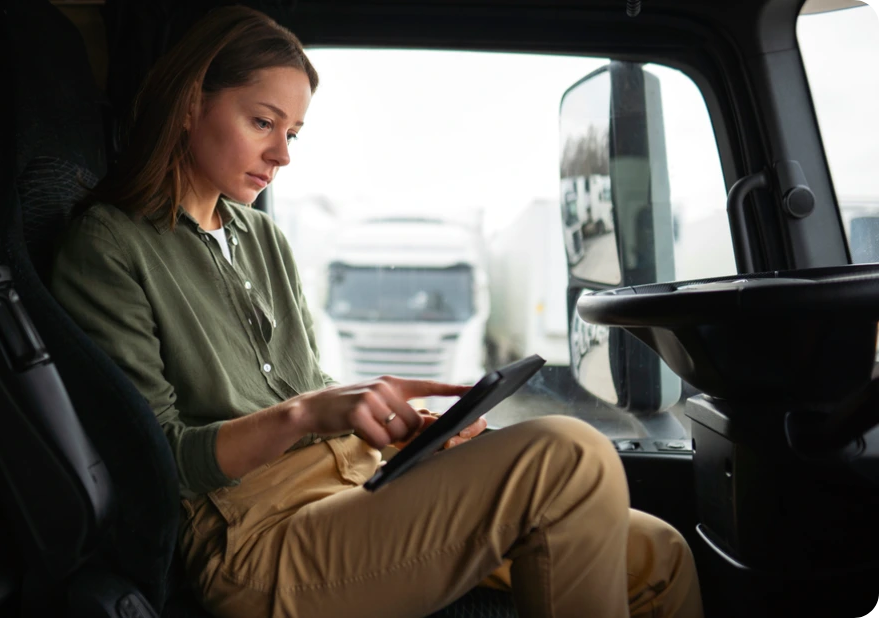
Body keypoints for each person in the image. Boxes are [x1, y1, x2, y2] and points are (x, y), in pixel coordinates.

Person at [50, 6, 703, 617]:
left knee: (659, 553)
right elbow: (156, 460)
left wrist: (405, 426)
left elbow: (301, 387)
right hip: (251, 534)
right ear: (192, 103)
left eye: (293, 132)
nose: (282, 154)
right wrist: (310, 411)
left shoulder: (261, 238)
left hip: (352, 482)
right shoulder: (110, 246)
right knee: (569, 454)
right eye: (262, 123)